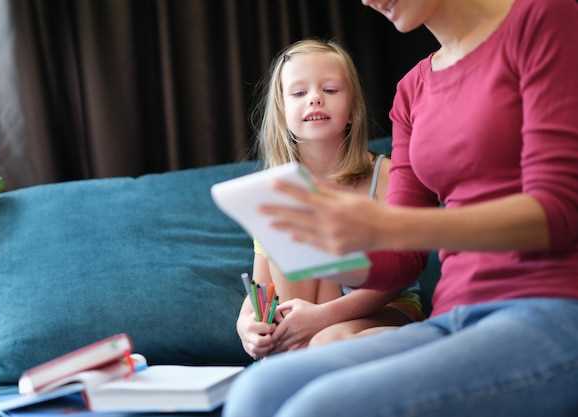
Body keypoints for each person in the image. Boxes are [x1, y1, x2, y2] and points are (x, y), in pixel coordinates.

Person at [223, 0, 578, 416]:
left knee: (320, 408)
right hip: (454, 316)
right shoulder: (412, 91)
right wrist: (324, 251)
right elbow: (402, 262)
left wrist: (387, 224)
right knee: (258, 391)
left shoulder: (547, 18)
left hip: (551, 307)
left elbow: (557, 212)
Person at [236, 39, 424, 360]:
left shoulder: (388, 176)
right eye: (298, 93)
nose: (315, 99)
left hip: (384, 308)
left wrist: (323, 318)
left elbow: (398, 278)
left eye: (331, 90)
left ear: (353, 110)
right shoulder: (273, 192)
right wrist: (247, 324)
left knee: (329, 341)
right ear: (282, 114)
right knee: (285, 216)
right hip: (306, 317)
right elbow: (261, 287)